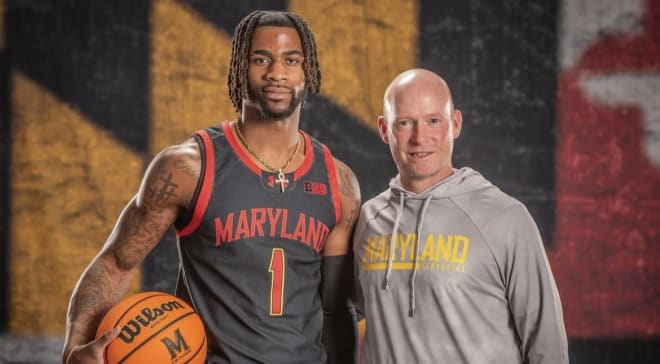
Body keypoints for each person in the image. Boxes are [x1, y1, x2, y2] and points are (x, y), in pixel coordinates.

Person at [62, 10, 360, 364]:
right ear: (239, 68)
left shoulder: (337, 182)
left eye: (290, 60)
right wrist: (72, 351)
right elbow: (115, 263)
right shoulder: (188, 168)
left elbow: (334, 309)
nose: (276, 73)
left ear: (306, 71)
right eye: (260, 59)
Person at [352, 68, 568, 364]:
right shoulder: (370, 219)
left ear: (455, 124)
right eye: (404, 123)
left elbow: (547, 345)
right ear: (384, 129)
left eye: (433, 121)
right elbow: (344, 313)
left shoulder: (505, 218)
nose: (420, 137)